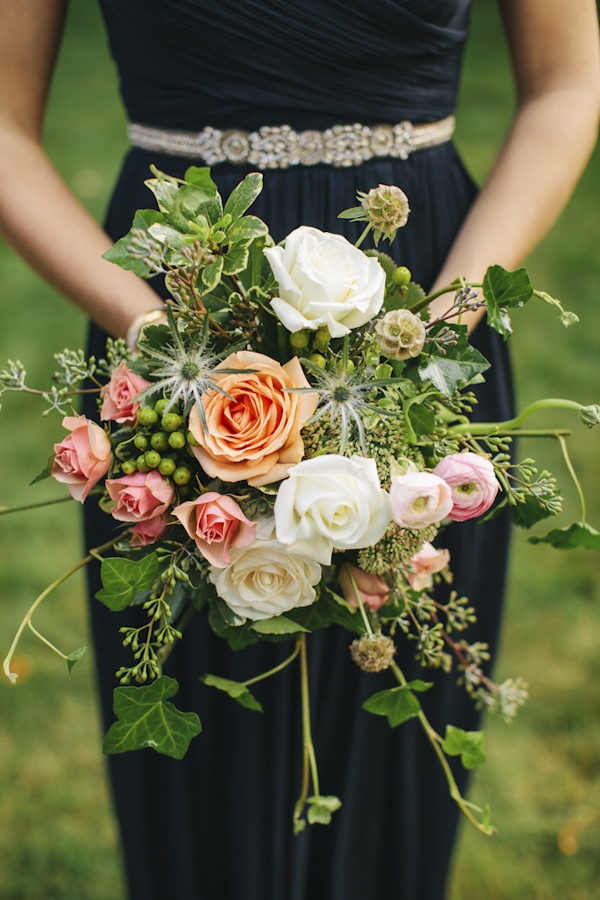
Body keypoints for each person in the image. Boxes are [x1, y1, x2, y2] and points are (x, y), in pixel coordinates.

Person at [0, 1, 598, 898]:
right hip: (173, 302)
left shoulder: (430, 328)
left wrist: (432, 332)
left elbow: (565, 84)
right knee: (201, 737)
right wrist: (164, 341)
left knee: (395, 726)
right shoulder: (167, 340)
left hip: (426, 287)